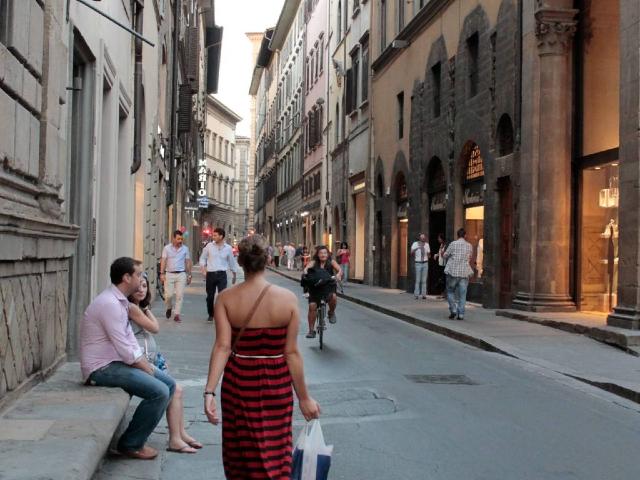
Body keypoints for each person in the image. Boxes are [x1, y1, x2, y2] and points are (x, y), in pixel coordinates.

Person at [203, 235, 320, 479]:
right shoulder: (287, 299)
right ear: (268, 259)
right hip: (276, 382)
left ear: (241, 261)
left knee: (241, 453)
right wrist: (304, 398)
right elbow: (291, 353)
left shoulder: (225, 299)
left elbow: (223, 346)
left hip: (239, 383)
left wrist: (209, 391)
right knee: (276, 448)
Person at [80, 257, 175, 460]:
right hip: (102, 368)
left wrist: (146, 364)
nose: (142, 280)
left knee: (170, 384)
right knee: (159, 391)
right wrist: (145, 367)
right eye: (138, 275)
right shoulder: (110, 304)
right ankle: (131, 444)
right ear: (126, 277)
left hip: (118, 361)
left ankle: (136, 437)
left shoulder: (120, 301)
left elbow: (129, 339)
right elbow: (124, 348)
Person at [128, 273, 202, 454]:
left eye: (144, 286)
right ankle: (175, 439)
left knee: (177, 390)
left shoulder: (140, 307)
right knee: (174, 389)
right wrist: (146, 310)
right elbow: (155, 327)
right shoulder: (133, 308)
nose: (141, 290)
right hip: (138, 363)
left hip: (147, 360)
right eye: (138, 286)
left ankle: (180, 433)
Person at [302, 245, 342, 338]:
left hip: (328, 286)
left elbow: (339, 270)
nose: (323, 255)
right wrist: (305, 273)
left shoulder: (331, 262)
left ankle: (331, 313)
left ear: (328, 254)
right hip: (315, 287)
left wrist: (338, 275)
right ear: (317, 254)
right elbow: (306, 269)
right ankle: (311, 331)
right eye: (321, 253)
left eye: (325, 253)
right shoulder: (313, 262)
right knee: (312, 306)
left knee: (334, 297)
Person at [200, 227, 238, 323]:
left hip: (222, 274)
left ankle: (221, 315)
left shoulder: (228, 248)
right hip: (211, 274)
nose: (213, 237)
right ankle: (210, 314)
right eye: (213, 235)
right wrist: (203, 268)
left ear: (221, 236)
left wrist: (234, 274)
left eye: (215, 235)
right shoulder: (209, 246)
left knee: (222, 296)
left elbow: (231, 262)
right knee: (210, 296)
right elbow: (202, 258)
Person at [159, 230, 193, 323]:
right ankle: (169, 307)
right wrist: (161, 273)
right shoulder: (167, 248)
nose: (180, 240)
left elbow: (187, 262)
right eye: (178, 239)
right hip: (169, 274)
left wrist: (189, 274)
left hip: (181, 274)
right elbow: (164, 260)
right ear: (173, 238)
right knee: (168, 295)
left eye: (181, 239)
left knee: (179, 295)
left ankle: (177, 314)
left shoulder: (185, 249)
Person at [443, 228, 474, 320]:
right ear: (465, 235)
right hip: (464, 273)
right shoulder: (469, 245)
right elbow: (470, 257)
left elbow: (445, 255)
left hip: (453, 272)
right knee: (462, 294)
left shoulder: (453, 244)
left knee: (450, 291)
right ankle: (461, 314)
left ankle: (453, 310)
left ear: (457, 235)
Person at [410, 233, 431, 300]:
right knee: (418, 279)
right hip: (418, 263)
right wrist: (417, 248)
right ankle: (416, 294)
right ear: (419, 238)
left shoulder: (427, 245)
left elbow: (429, 255)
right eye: (422, 238)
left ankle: (424, 295)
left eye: (424, 238)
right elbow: (411, 253)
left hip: (425, 263)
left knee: (424, 280)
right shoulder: (415, 244)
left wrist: (428, 254)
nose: (423, 239)